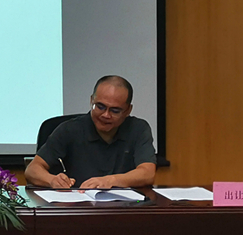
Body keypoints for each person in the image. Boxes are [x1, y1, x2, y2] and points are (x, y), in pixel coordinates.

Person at [25, 75, 156, 189]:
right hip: (77, 204)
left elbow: (147, 173)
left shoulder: (138, 129)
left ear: (128, 110)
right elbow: (32, 169)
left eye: (115, 111)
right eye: (100, 106)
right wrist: (52, 180)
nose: (106, 115)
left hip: (125, 205)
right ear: (91, 100)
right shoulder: (69, 129)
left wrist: (110, 181)